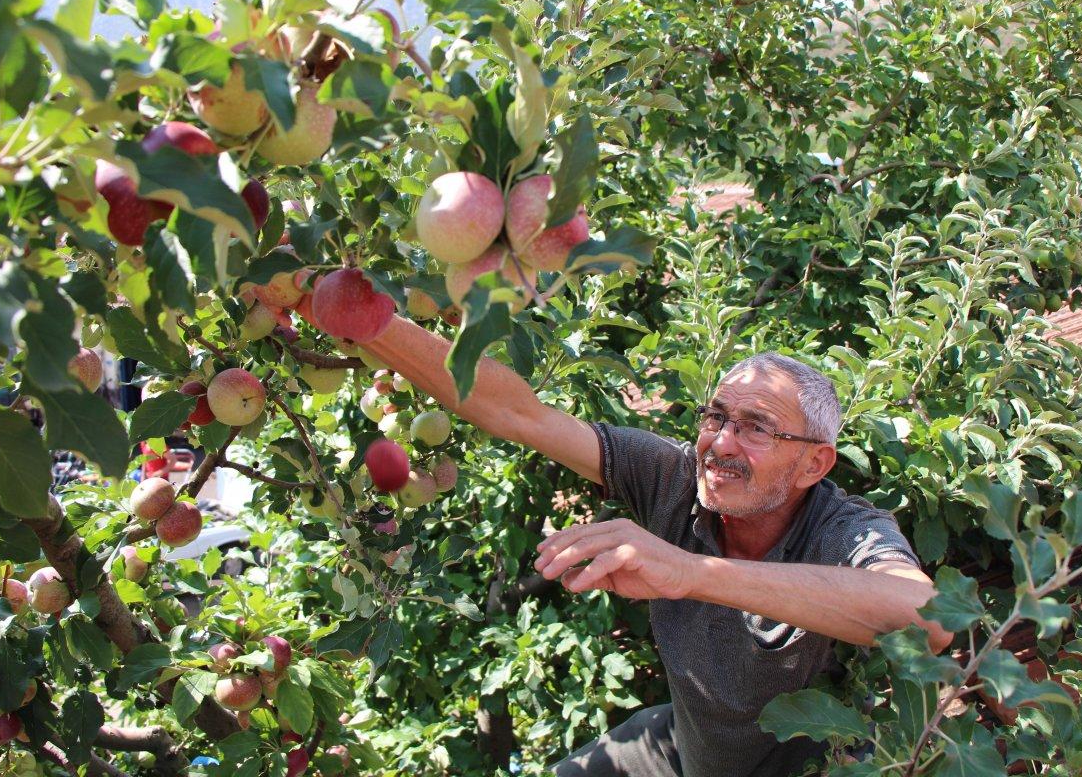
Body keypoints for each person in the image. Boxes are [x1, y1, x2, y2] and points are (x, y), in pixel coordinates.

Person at [361, 317, 953, 777]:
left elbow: (925, 616)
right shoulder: (673, 479)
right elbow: (519, 413)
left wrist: (692, 572)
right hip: (683, 750)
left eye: (755, 427)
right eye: (715, 416)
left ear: (814, 463)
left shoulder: (840, 531)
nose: (720, 443)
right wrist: (358, 314)